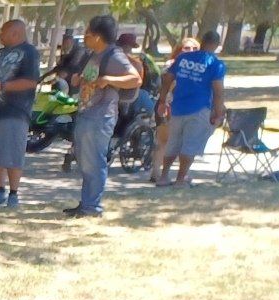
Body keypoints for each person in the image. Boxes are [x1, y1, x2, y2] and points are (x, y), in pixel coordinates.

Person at [65, 16, 140, 218]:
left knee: (94, 161)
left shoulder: (114, 55)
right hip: (86, 112)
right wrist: (78, 79)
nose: (85, 37)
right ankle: (86, 203)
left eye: (87, 33)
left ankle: (92, 207)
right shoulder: (94, 55)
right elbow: (90, 79)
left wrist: (108, 79)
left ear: (97, 36)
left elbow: (135, 78)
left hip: (100, 116)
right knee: (85, 160)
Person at [0, 19, 43, 206]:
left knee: (12, 153)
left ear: (15, 33)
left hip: (15, 110)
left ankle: (14, 193)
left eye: (3, 32)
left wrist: (2, 85)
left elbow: (31, 81)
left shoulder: (28, 52)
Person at [155, 32, 226, 188]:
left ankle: (164, 176)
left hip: (178, 107)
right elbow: (218, 91)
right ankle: (181, 179)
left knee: (173, 142)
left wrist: (162, 100)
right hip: (199, 108)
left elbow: (167, 79)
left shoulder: (182, 58)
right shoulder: (216, 64)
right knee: (190, 144)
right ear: (216, 45)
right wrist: (219, 113)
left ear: (201, 41)